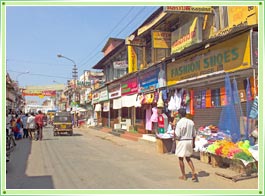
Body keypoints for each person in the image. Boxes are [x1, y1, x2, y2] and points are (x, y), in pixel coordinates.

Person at [175, 108, 197, 181]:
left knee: (180, 158)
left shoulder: (179, 123)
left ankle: (184, 175)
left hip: (182, 141)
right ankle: (194, 171)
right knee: (188, 157)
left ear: (179, 114)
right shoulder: (191, 122)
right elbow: (194, 134)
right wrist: (193, 143)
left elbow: (177, 134)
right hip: (189, 141)